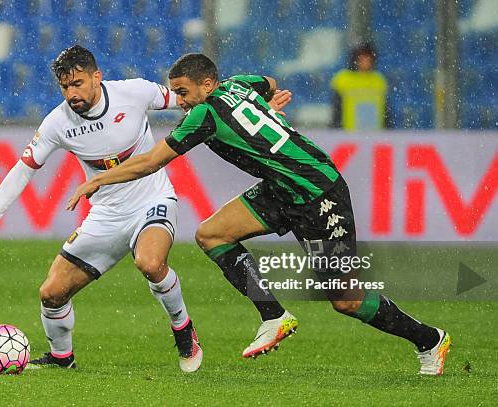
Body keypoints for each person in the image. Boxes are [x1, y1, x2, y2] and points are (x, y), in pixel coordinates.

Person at [66, 53, 452, 375]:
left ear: (207, 84)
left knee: (345, 299)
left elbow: (151, 161)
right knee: (212, 234)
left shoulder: (205, 115)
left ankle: (429, 339)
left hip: (318, 192)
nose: (180, 101)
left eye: (184, 92)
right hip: (282, 188)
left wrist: (96, 182)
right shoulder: (238, 83)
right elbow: (268, 80)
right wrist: (263, 108)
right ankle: (274, 315)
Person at [0, 45, 203, 372]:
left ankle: (183, 328)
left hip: (152, 200)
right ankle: (62, 359)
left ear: (97, 77)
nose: (71, 93)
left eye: (77, 84)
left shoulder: (134, 92)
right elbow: (24, 168)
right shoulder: (57, 123)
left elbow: (191, 100)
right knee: (51, 293)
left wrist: (252, 105)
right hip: (106, 215)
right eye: (64, 87)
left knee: (149, 262)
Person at [331, 43, 393, 130]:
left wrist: (387, 129)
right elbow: (337, 109)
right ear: (355, 59)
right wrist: (337, 128)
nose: (365, 62)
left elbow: (386, 110)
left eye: (368, 58)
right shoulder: (343, 79)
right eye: (362, 58)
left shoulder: (379, 80)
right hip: (349, 135)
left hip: (375, 134)